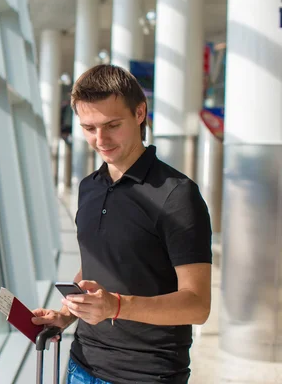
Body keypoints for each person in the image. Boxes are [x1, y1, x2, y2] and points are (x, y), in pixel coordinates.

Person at [32, 65, 212, 384]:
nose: (100, 140)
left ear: (139, 113)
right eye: (89, 128)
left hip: (146, 376)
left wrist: (114, 306)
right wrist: (65, 314)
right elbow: (97, 267)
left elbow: (197, 305)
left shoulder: (176, 195)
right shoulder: (89, 187)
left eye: (112, 125)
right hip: (81, 364)